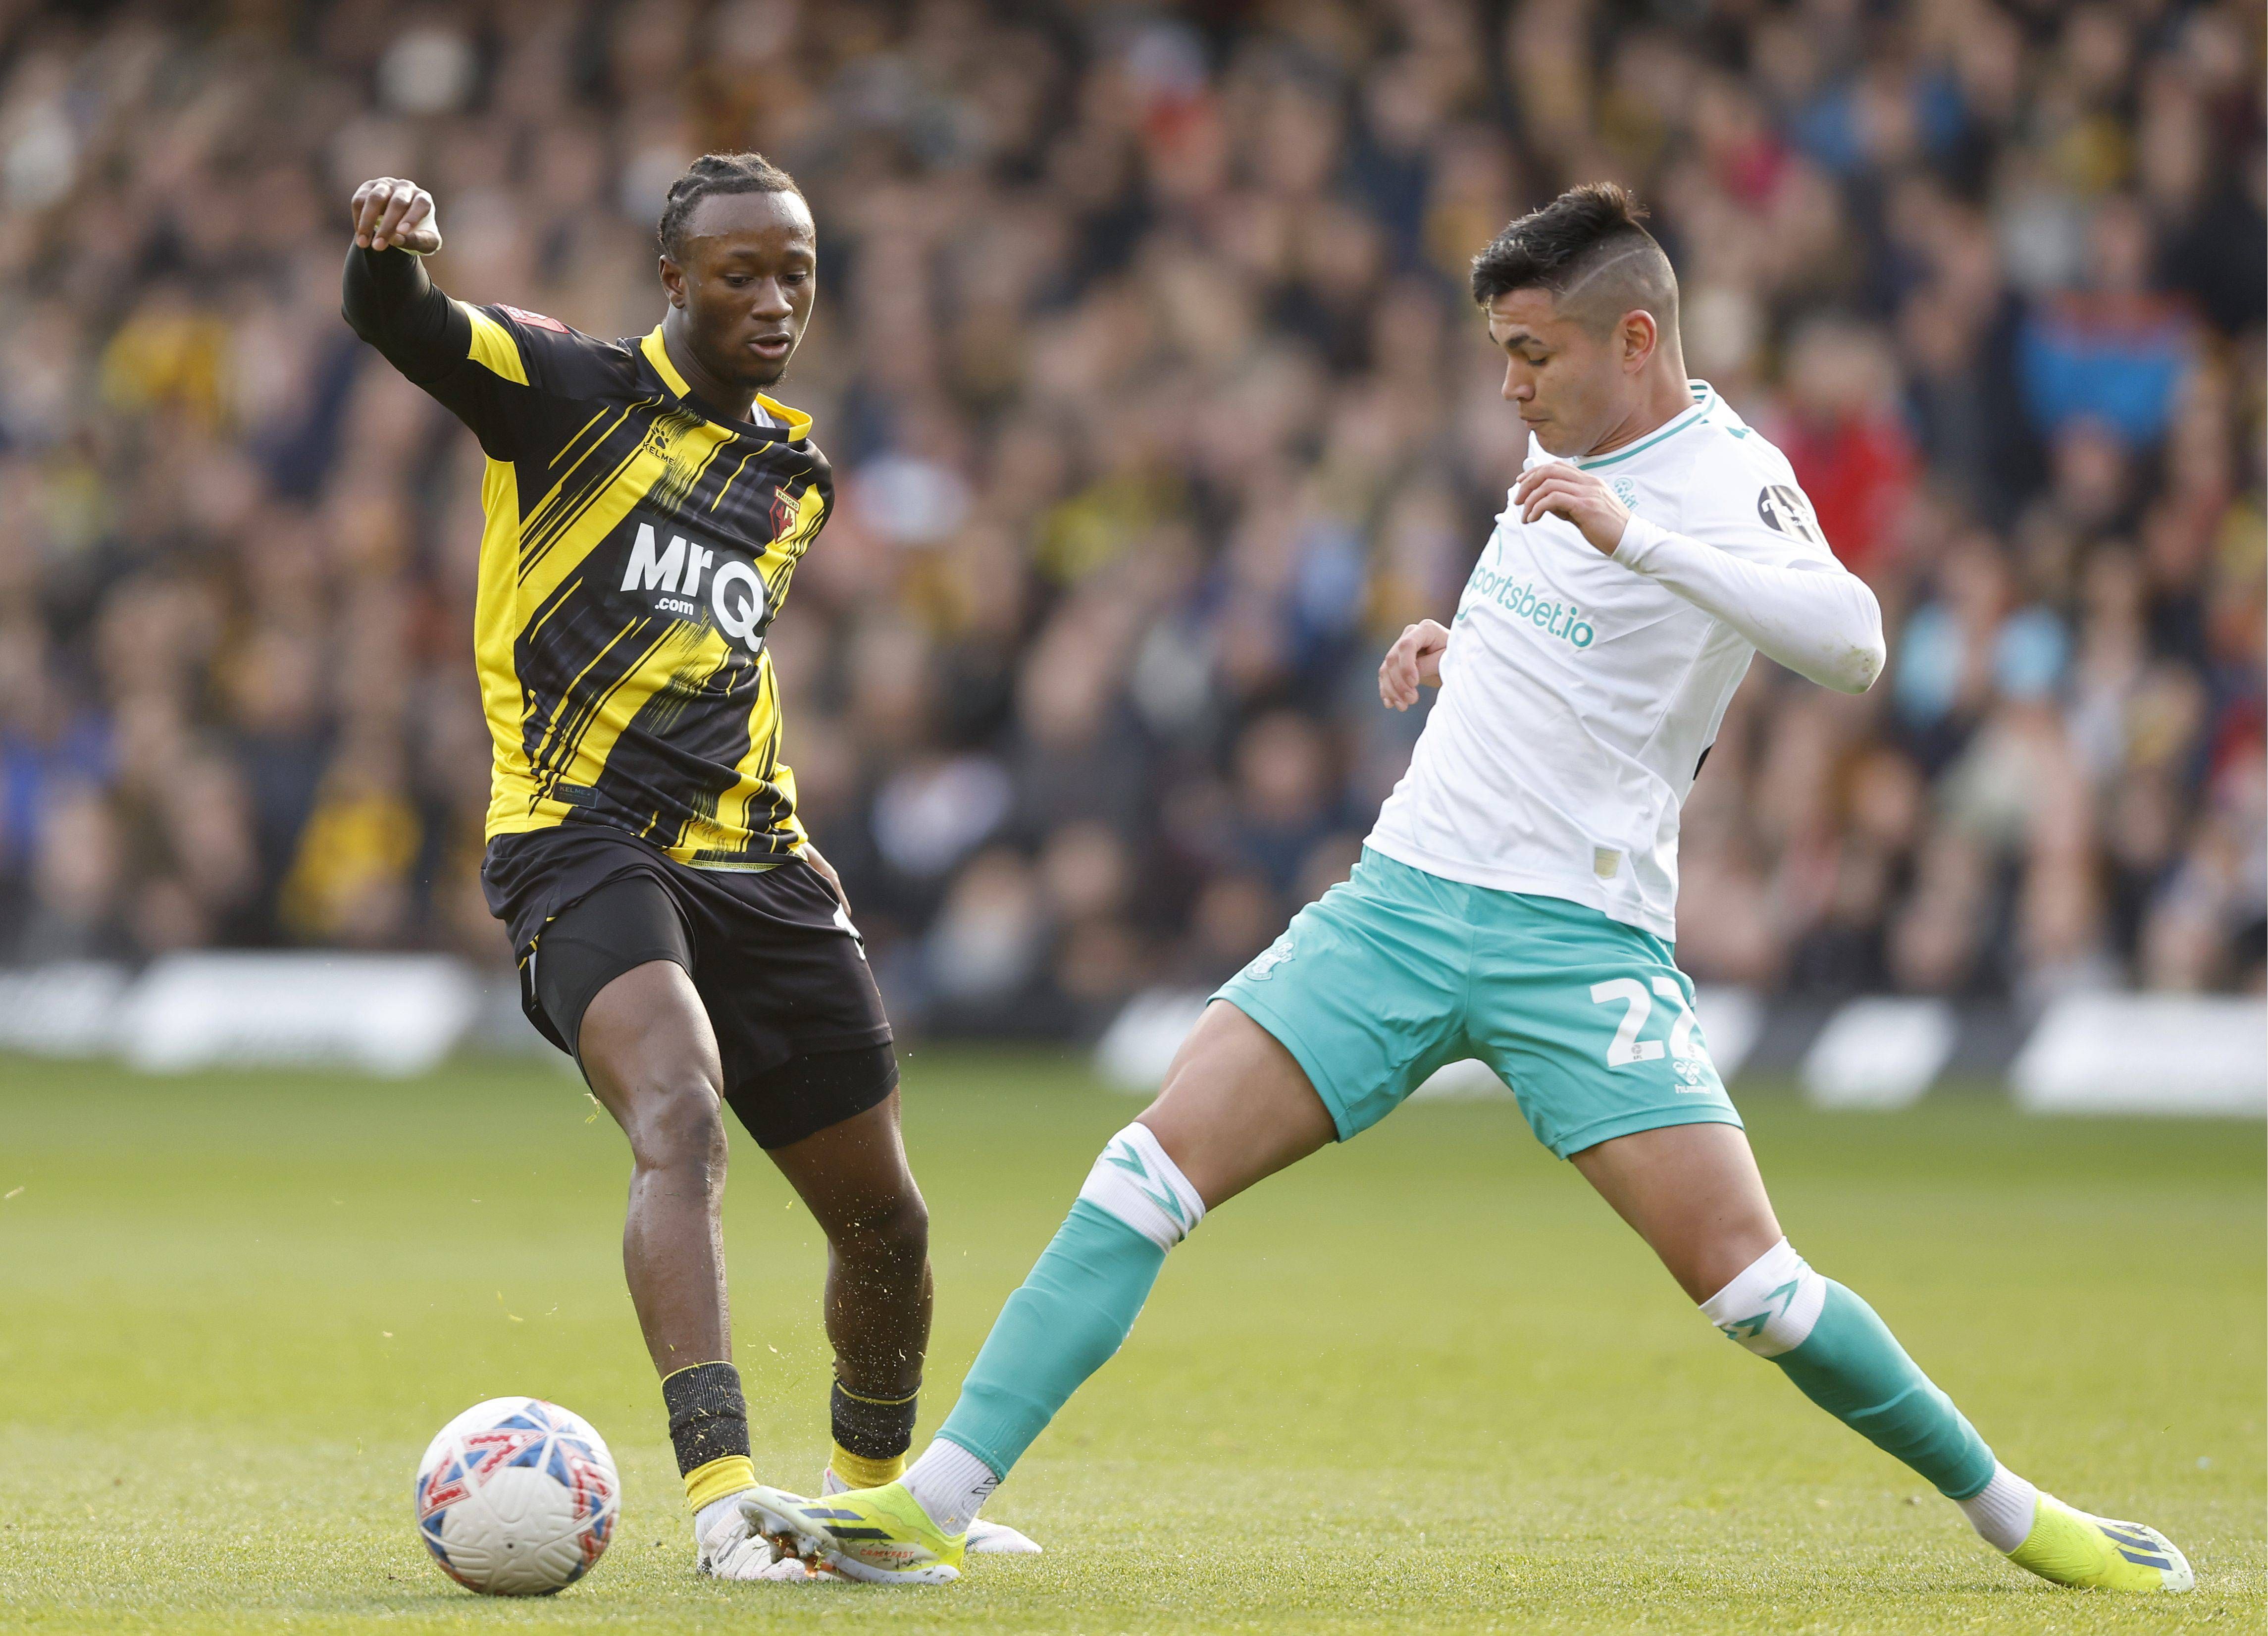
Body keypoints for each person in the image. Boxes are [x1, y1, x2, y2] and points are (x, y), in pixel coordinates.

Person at [740, 184, 2192, 1594]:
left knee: (1755, 1294)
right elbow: (1579, 647)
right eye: (1501, 353)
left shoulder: (1720, 474)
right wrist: (1464, 650)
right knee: (1144, 1173)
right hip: (1402, 901)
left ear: (1635, 340)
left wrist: (1642, 541)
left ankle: (2022, 1520)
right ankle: (930, 1507)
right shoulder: (1553, 448)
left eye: (1532, 353)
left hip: (1577, 941)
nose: (1509, 387)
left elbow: (1852, 641)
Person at [339, 156, 1034, 1580]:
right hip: (577, 839)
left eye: (797, 273)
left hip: (757, 860)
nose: (775, 300)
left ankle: (861, 1510)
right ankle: (725, 1505)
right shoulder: (560, 390)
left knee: (885, 1223)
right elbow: (400, 322)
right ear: (674, 281)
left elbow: (720, 669)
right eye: (741, 274)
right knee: (681, 1107)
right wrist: (388, 249)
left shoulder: (797, 472)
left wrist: (787, 843)